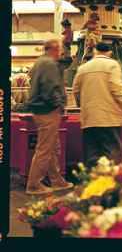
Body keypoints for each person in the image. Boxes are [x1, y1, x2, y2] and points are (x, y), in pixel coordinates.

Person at [72, 42, 122, 168]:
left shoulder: (83, 68)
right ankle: (111, 185)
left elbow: (75, 91)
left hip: (89, 119)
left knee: (91, 156)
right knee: (112, 155)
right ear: (110, 52)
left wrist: (83, 106)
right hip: (109, 119)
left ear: (95, 51)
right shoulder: (112, 65)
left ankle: (91, 183)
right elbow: (117, 89)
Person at [26, 39, 73, 195]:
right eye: (59, 49)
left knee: (52, 146)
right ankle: (33, 184)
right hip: (48, 110)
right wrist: (59, 104)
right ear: (54, 49)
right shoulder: (49, 64)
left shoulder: (40, 62)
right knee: (45, 148)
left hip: (40, 109)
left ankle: (56, 180)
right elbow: (50, 88)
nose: (61, 52)